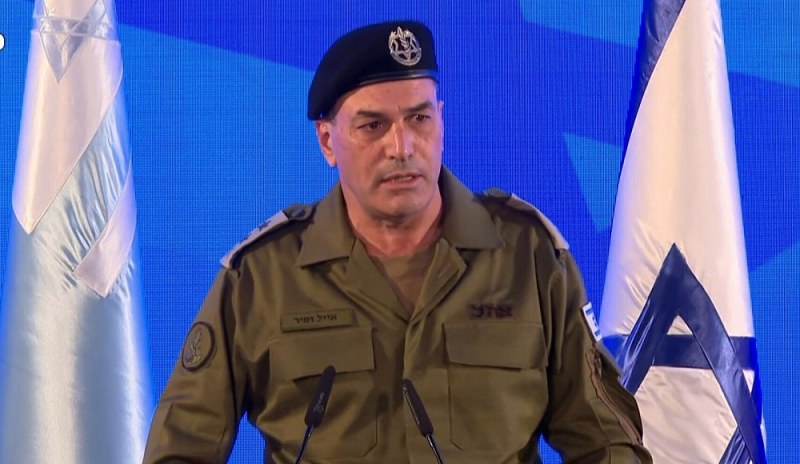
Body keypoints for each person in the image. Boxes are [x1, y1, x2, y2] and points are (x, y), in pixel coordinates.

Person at [143, 20, 652, 463]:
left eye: (419, 119)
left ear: (441, 120)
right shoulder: (262, 276)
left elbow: (607, 443)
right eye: (373, 126)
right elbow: (180, 449)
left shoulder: (530, 256)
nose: (402, 146)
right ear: (328, 141)